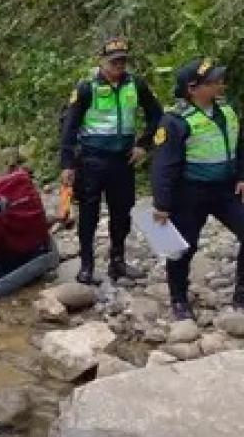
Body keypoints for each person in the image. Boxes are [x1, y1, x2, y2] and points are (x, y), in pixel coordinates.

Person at [60, 37, 163, 285]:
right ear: (101, 62)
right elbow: (69, 127)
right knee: (89, 213)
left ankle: (118, 262)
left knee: (121, 213)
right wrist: (67, 165)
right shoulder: (87, 88)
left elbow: (156, 115)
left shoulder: (135, 85)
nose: (119, 66)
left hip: (123, 161)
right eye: (114, 62)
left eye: (123, 61)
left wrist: (143, 144)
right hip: (91, 161)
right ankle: (86, 265)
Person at [151, 58, 244, 320]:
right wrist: (162, 204)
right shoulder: (175, 121)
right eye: (212, 81)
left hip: (226, 190)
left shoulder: (227, 110)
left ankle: (242, 295)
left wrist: (241, 175)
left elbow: (239, 146)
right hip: (190, 193)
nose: (220, 84)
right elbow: (163, 166)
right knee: (182, 248)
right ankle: (179, 299)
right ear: (193, 88)